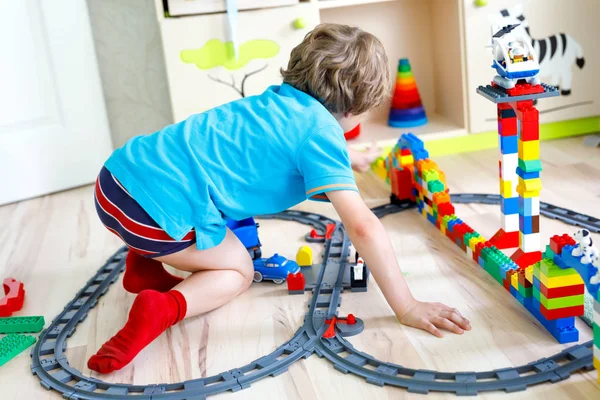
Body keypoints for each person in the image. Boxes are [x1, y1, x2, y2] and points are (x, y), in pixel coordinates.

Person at [89, 23, 471, 374]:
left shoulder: (277, 101)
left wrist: (350, 159)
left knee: (199, 192)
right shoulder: (321, 134)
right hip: (151, 217)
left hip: (116, 181)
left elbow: (289, 144)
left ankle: (143, 266)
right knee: (237, 269)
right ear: (355, 110)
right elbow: (361, 225)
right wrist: (406, 305)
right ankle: (162, 309)